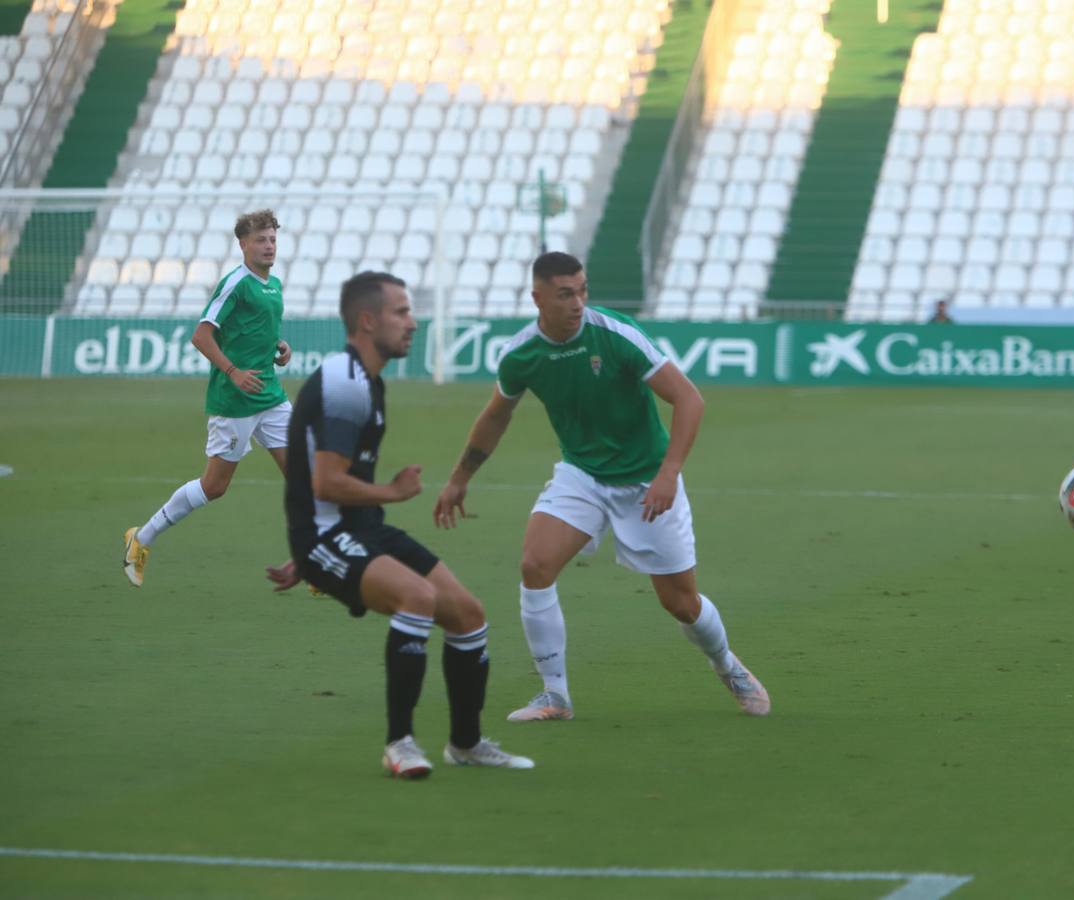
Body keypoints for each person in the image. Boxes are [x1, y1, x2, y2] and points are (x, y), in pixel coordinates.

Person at [433, 251, 769, 723]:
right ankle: (555, 695)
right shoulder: (521, 354)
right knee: (535, 565)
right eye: (565, 294)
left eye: (583, 291)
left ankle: (727, 665)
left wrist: (668, 473)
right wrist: (458, 480)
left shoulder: (615, 334)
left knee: (680, 602)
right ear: (538, 298)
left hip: (646, 478)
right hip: (583, 476)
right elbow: (496, 415)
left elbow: (689, 399)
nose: (578, 302)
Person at [265, 271, 533, 778]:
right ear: (368, 321)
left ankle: (467, 743)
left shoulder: (367, 380)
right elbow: (326, 483)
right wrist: (390, 493)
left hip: (354, 530)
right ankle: (400, 744)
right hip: (326, 534)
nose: (413, 323)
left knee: (468, 616)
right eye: (402, 312)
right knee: (418, 598)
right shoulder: (346, 383)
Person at [122, 209, 292, 586]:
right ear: (243, 244)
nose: (268, 246)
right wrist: (232, 372)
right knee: (214, 487)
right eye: (261, 240)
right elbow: (201, 335)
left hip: (271, 397)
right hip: (234, 402)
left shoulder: (273, 284)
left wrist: (279, 346)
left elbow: (256, 331)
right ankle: (141, 538)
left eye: (273, 240)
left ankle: (312, 563)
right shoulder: (236, 283)